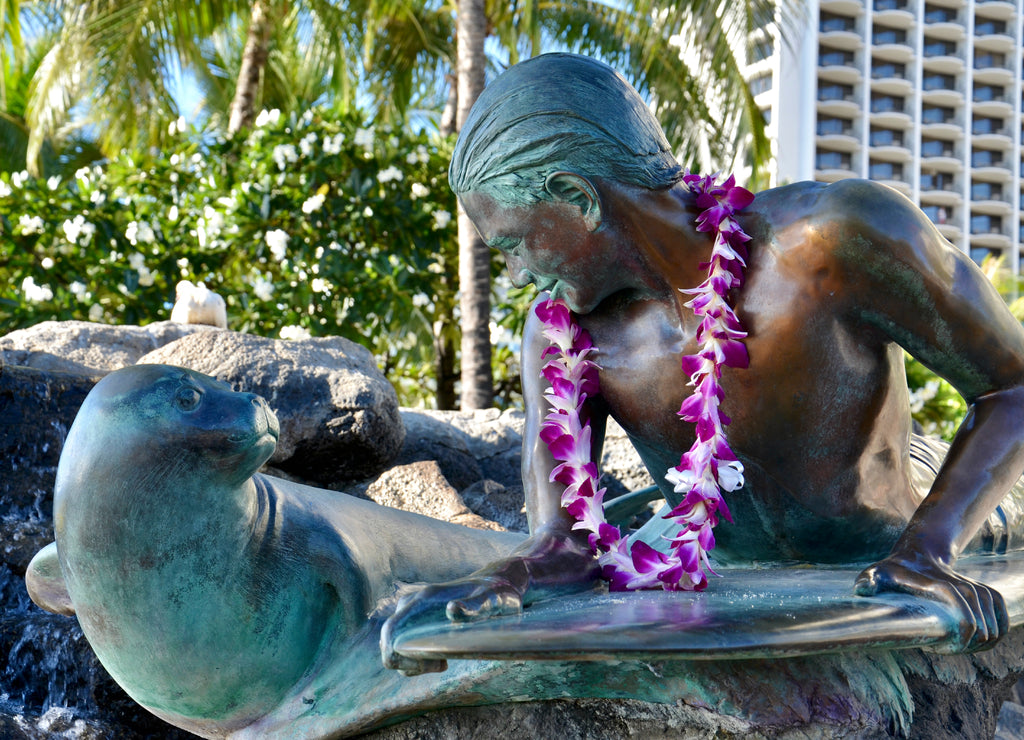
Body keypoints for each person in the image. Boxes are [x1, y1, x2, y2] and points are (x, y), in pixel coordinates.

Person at [382, 53, 1024, 674]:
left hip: (921, 503)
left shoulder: (833, 240)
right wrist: (500, 580)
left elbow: (1012, 386)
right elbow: (563, 541)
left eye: (515, 243)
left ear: (577, 196)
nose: (519, 274)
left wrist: (927, 551)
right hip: (708, 551)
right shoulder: (562, 334)